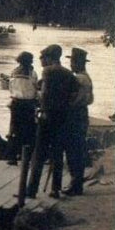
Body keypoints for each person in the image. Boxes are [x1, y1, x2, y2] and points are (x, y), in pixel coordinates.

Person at [25, 45, 80, 199]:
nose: (42, 61)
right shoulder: (68, 73)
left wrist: (42, 108)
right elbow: (75, 93)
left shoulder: (48, 71)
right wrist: (65, 105)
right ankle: (55, 189)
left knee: (39, 153)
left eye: (44, 57)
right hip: (62, 117)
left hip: (47, 116)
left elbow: (45, 93)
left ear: (50, 57)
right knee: (58, 153)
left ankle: (32, 189)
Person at [63, 47, 94, 196]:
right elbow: (90, 99)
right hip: (82, 113)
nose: (71, 65)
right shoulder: (86, 77)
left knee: (73, 149)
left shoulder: (78, 79)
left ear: (78, 63)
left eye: (73, 62)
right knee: (78, 148)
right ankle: (76, 183)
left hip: (75, 114)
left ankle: (75, 184)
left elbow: (71, 99)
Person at [2, 51, 39, 165]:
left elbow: (10, 88)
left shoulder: (14, 72)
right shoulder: (32, 73)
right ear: (29, 62)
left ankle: (12, 157)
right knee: (29, 129)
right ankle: (27, 157)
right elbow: (35, 89)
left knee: (14, 129)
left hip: (15, 103)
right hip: (29, 104)